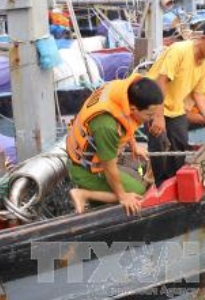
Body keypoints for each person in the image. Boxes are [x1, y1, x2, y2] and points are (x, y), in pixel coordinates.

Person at [147, 21, 205, 185]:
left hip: (176, 108)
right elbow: (161, 82)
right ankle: (160, 184)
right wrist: (158, 117)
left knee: (180, 144)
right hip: (154, 102)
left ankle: (174, 182)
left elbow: (199, 94)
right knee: (159, 142)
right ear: (204, 38)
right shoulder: (179, 50)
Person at [66, 75, 163, 215]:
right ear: (134, 109)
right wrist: (123, 196)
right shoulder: (106, 126)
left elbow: (126, 122)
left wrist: (134, 145)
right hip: (87, 171)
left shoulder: (122, 92)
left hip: (96, 159)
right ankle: (83, 194)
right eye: (149, 114)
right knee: (139, 194)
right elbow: (109, 167)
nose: (152, 119)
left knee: (132, 187)